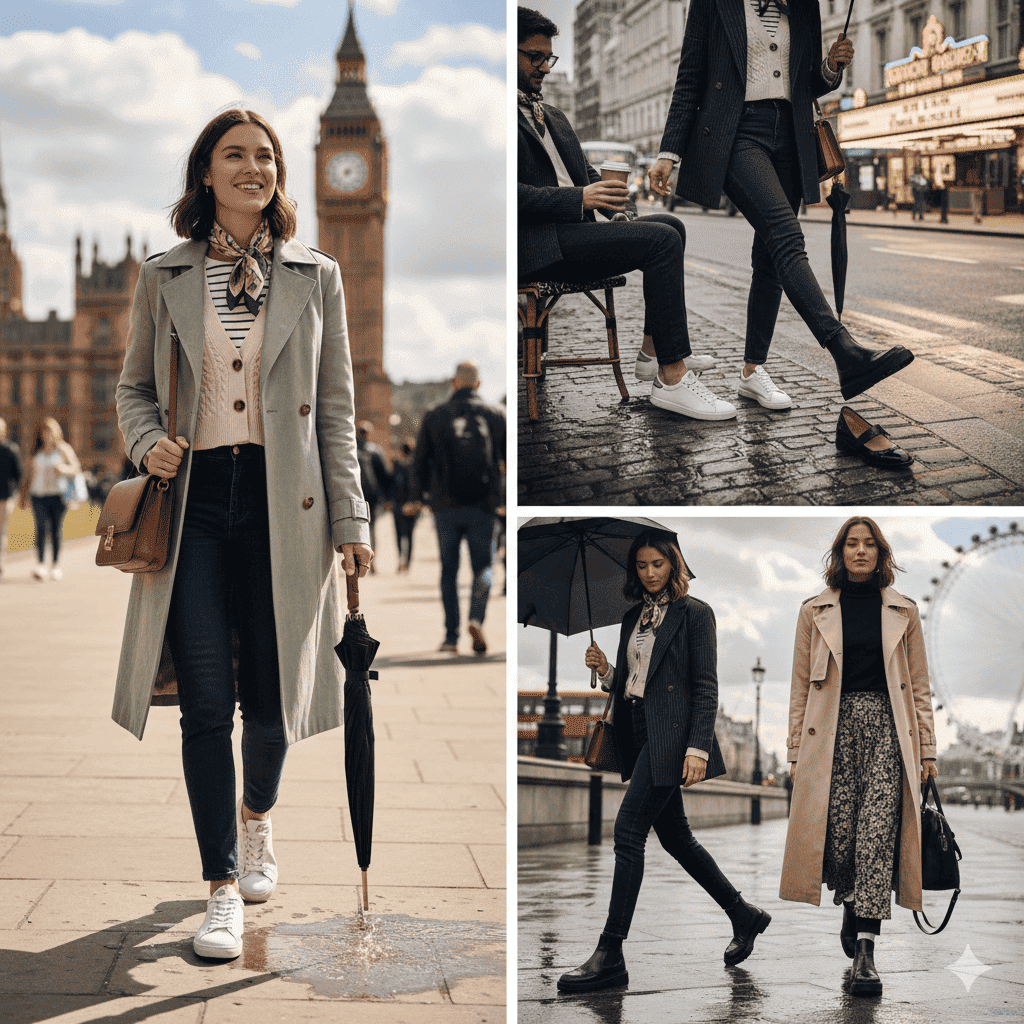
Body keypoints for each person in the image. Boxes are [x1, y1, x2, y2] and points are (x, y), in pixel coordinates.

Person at [113, 108, 372, 962]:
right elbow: (133, 389)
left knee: (271, 706)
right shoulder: (165, 276)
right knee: (203, 710)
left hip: (281, 502)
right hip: (192, 502)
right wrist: (148, 442)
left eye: (265, 156)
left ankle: (256, 818)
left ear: (278, 174)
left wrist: (353, 519)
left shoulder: (318, 275)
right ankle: (221, 887)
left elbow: (336, 410)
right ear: (207, 173)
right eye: (235, 155)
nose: (253, 167)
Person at [648, 0, 915, 408]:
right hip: (737, 132)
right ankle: (845, 352)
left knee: (771, 258)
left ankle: (752, 372)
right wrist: (670, 150)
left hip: (792, 136)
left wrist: (830, 67)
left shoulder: (801, 5)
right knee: (787, 236)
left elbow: (807, 81)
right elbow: (691, 76)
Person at [558, 531, 770, 993]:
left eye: (658, 563)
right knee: (676, 838)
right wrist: (605, 670)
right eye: (642, 566)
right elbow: (632, 682)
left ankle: (610, 952)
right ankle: (743, 914)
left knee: (627, 832)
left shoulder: (696, 614)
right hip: (638, 733)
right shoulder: (631, 616)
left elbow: (705, 686)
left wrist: (697, 748)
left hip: (671, 740)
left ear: (674, 564)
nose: (650, 572)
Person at [517, 6, 731, 422]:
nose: (544, 66)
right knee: (662, 241)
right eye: (534, 57)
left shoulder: (551, 113)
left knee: (671, 225)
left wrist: (618, 209)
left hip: (577, 232)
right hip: (542, 242)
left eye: (549, 58)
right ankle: (671, 377)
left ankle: (652, 354)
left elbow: (587, 173)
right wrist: (579, 199)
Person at [780, 517, 937, 997]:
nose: (862, 551)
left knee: (875, 837)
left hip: (890, 731)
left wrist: (927, 749)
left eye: (870, 544)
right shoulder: (814, 611)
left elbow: (921, 687)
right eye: (853, 543)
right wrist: (793, 750)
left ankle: (866, 954)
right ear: (840, 552)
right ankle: (851, 907)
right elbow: (800, 685)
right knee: (843, 836)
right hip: (830, 733)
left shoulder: (905, 611)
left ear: (882, 553)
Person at [405, 360, 505, 655]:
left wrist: (416, 497)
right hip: (484, 505)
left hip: (445, 505)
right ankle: (476, 618)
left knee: (448, 571)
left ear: (453, 383)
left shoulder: (436, 415)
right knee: (484, 568)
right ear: (479, 384)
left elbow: (419, 460)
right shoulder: (497, 415)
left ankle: (450, 637)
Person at [18, 417, 80, 581]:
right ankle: (40, 564)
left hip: (58, 496)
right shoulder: (35, 452)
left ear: (56, 433)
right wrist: (23, 497)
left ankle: (55, 565)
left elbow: (76, 468)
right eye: (44, 432)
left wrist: (64, 469)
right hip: (38, 495)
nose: (47, 436)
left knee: (55, 530)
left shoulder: (63, 449)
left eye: (50, 432)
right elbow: (27, 476)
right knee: (40, 529)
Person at [356, 420, 391, 571]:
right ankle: (367, 560)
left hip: (362, 497)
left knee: (362, 529)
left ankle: (364, 560)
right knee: (368, 529)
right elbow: (385, 476)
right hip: (366, 498)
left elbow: (384, 476)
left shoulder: (352, 450)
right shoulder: (373, 450)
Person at [389, 438, 418, 572]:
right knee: (409, 534)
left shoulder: (397, 465)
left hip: (400, 506)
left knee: (400, 534)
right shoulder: (415, 466)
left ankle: (402, 559)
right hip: (411, 505)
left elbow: (390, 484)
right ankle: (406, 562)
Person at [0, 417, 22, 580]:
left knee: (1, 532)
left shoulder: (11, 450)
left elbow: (18, 475)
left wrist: (18, 496)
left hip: (5, 498)